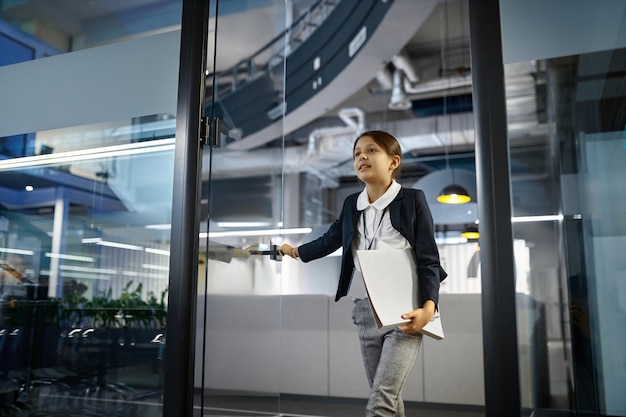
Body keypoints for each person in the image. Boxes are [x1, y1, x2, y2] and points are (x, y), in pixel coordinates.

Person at [278, 130, 447, 417]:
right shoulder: (351, 205)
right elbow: (331, 239)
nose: (362, 157)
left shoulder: (412, 200)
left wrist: (429, 308)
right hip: (365, 312)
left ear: (393, 162)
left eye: (371, 151)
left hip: (405, 310)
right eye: (357, 153)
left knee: (380, 400)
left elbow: (429, 260)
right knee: (388, 398)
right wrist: (295, 252)